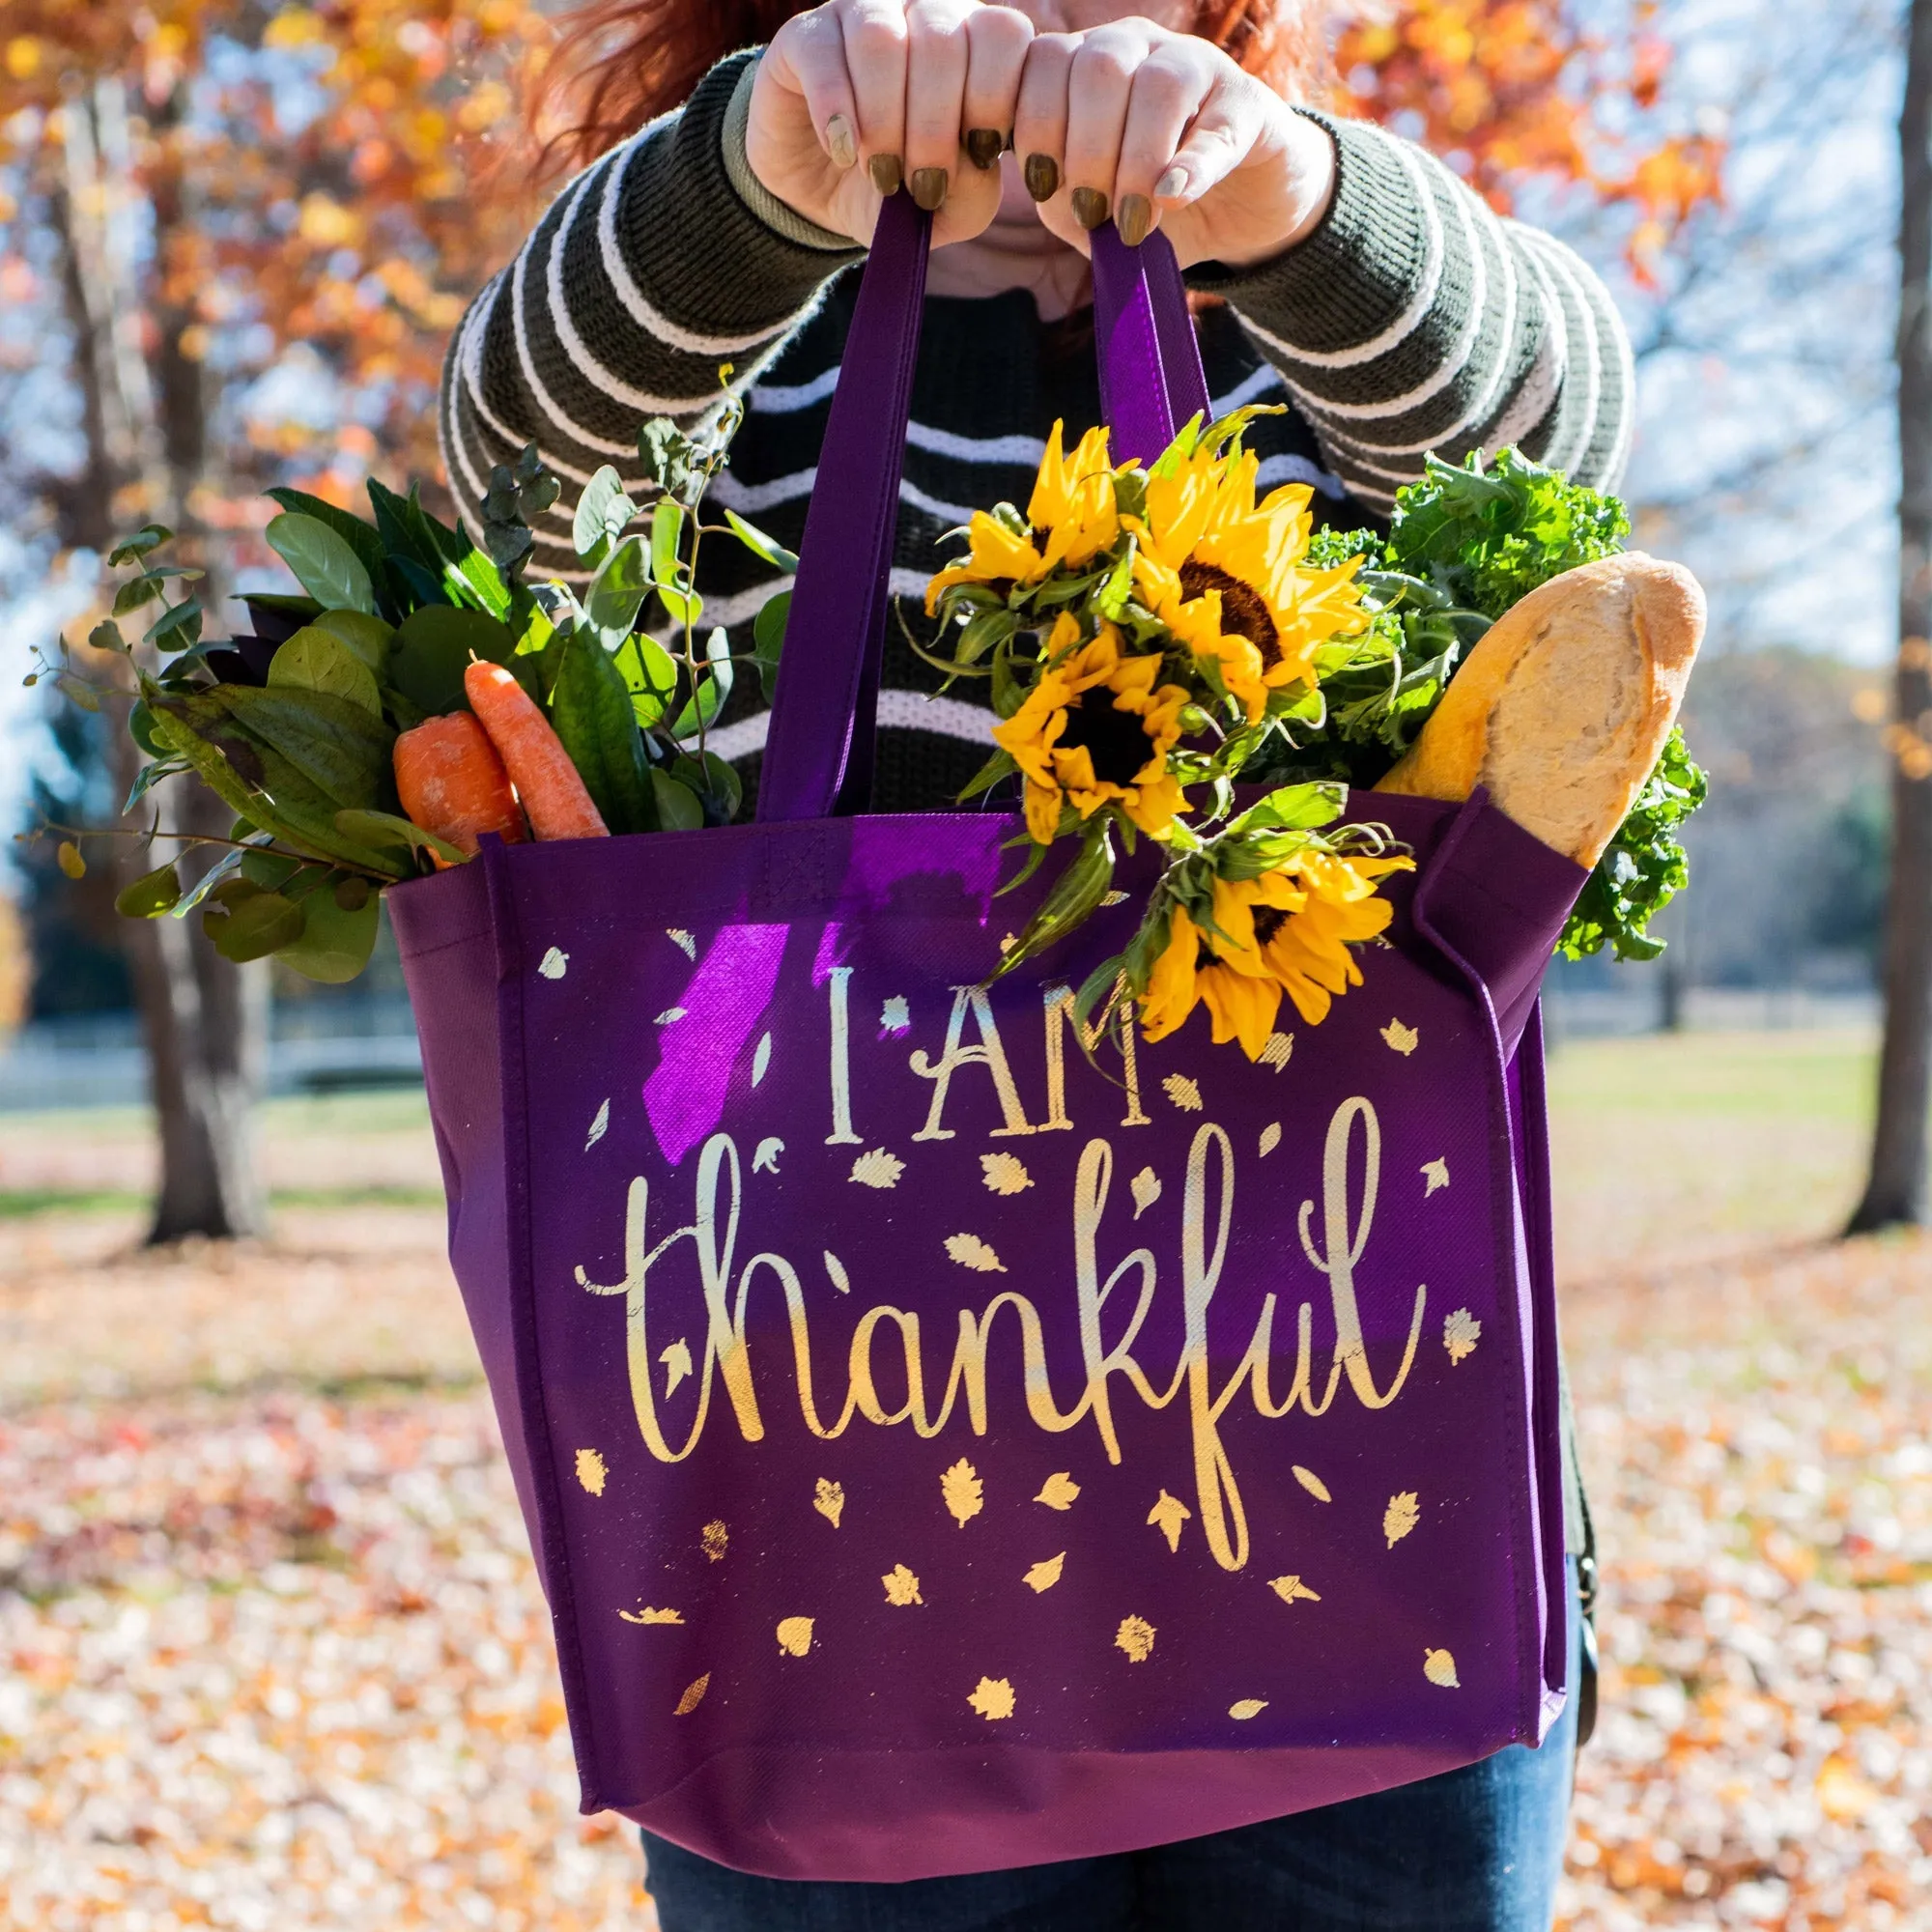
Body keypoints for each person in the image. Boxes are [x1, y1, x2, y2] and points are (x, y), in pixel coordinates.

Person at [440, 4, 1613, 1924]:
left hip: (1359, 1496)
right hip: (827, 1530)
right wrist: (762, 175)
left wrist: (1286, 194)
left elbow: (1558, 430)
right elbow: (517, 450)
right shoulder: (733, 313)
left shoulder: (1304, 309)